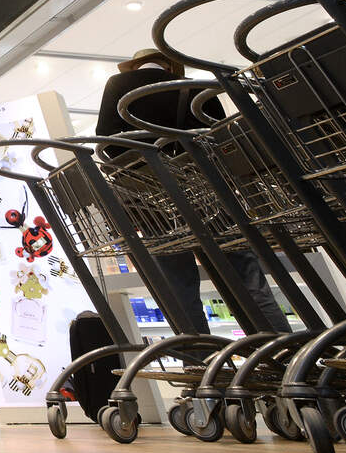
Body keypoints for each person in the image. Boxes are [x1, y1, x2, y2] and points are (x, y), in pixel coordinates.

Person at [96, 48, 291, 333]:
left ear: (135, 67)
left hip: (153, 203)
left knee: (180, 286)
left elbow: (106, 142)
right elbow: (220, 136)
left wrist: (145, 169)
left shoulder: (117, 85)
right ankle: (279, 344)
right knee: (246, 277)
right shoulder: (197, 88)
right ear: (171, 67)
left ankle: (201, 354)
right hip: (209, 195)